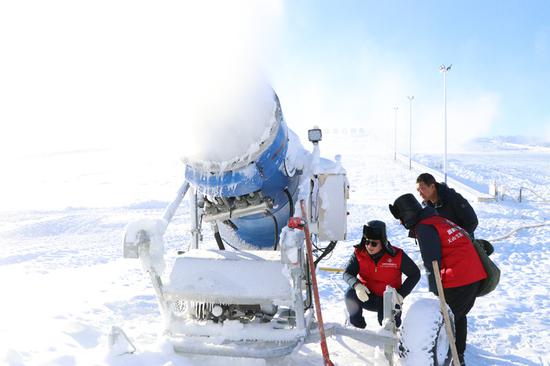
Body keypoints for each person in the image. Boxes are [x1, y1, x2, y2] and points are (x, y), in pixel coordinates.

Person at [389, 193, 487, 366]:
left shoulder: (425, 228)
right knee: (458, 316)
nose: (401, 223)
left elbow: (432, 261)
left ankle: (453, 357)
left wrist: (435, 288)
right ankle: (459, 354)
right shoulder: (436, 219)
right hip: (473, 274)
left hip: (461, 277)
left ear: (409, 214)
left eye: (401, 218)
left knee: (448, 321)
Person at [343, 220, 420, 329]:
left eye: (374, 243)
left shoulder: (397, 255)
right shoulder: (359, 253)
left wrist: (400, 295)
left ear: (383, 242)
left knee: (389, 326)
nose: (369, 246)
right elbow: (347, 273)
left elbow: (415, 274)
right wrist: (357, 285)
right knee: (350, 294)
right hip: (367, 296)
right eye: (367, 242)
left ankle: (394, 331)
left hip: (389, 299)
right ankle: (357, 327)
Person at [416, 173, 478, 238]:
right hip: (445, 245)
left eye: (422, 189)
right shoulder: (428, 207)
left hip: (463, 244)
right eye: (418, 190)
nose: (420, 193)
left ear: (432, 186)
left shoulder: (453, 198)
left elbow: (472, 222)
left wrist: (457, 238)